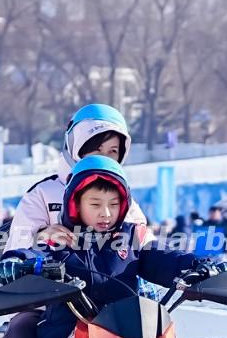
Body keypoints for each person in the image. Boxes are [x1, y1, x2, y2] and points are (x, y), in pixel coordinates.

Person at [0, 156, 217, 338]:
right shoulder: (59, 239)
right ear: (75, 203)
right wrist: (15, 262)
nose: (106, 213)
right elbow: (33, 254)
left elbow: (164, 258)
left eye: (114, 204)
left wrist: (203, 265)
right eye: (95, 204)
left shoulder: (130, 239)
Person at [8, 104, 147, 251]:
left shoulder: (123, 199)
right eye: (96, 149)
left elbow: (147, 246)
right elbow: (14, 250)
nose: (104, 158)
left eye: (113, 151)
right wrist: (41, 237)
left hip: (111, 273)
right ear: (75, 147)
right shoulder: (42, 194)